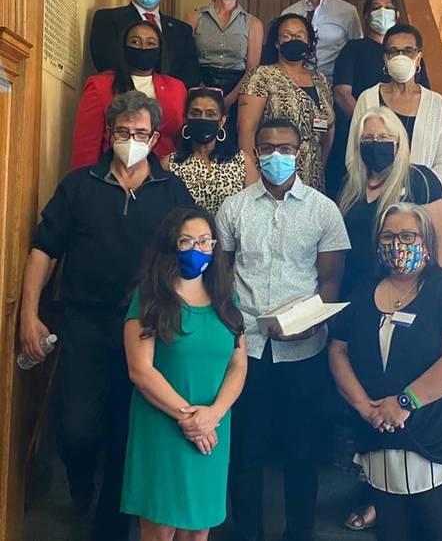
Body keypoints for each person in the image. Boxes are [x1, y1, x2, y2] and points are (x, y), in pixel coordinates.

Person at [19, 91, 193, 541]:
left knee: (126, 430)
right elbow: (43, 250)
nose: (131, 140)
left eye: (140, 133)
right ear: (109, 133)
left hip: (149, 327)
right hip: (85, 323)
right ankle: (79, 484)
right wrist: (29, 314)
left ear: (155, 138)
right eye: (122, 132)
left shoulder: (171, 191)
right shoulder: (79, 185)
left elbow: (192, 252)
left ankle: (109, 528)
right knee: (78, 430)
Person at [216, 118, 351, 541]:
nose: (277, 156)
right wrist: (230, 319)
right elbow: (221, 272)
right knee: (245, 452)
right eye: (268, 148)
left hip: (304, 350)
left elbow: (330, 281)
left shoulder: (323, 209)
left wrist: (310, 325)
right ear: (255, 153)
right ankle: (248, 533)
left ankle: (300, 534)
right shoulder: (233, 208)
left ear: (301, 152)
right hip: (246, 348)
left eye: (286, 148)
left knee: (301, 453)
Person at [329, 202, 442, 541]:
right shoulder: (363, 291)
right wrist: (363, 406)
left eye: (407, 236)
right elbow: (338, 350)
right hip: (380, 437)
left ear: (427, 242)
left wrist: (404, 402)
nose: (396, 245)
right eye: (387, 237)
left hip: (440, 441)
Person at [121, 205, 247, 541]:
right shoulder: (150, 296)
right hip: (163, 425)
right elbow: (140, 370)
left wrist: (213, 415)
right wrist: (190, 419)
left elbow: (238, 363)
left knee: (198, 529)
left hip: (213, 428)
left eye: (205, 242)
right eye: (187, 242)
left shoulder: (226, 297)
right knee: (160, 529)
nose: (197, 250)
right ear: (171, 245)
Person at [340, 105, 442, 298]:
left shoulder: (420, 179)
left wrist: (434, 287)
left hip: (404, 287)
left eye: (384, 138)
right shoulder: (350, 185)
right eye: (367, 139)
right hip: (355, 287)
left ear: (399, 142)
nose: (375, 143)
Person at [327, 0, 429, 200]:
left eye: (389, 7)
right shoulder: (354, 48)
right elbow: (341, 93)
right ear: (366, 16)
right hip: (364, 139)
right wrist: (372, 124)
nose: (383, 11)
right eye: (376, 7)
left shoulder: (414, 60)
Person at [346, 23, 442, 189]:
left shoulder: (435, 103)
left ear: (418, 57)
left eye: (408, 51)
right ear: (385, 58)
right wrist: (375, 190)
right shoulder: (367, 98)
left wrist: (422, 193)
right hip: (373, 195)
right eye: (394, 51)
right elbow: (353, 156)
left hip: (420, 203)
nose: (400, 56)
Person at [238, 13, 334, 192]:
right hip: (271, 175)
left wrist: (319, 164)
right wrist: (251, 173)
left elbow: (328, 128)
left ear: (309, 42)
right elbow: (246, 128)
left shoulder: (320, 80)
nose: (293, 40)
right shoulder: (262, 76)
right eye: (286, 36)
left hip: (312, 178)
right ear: (276, 42)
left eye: (299, 36)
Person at [72, 20, 186, 169]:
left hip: (163, 177)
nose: (143, 47)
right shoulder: (100, 85)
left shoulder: (177, 88)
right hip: (113, 174)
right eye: (135, 41)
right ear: (124, 47)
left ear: (160, 50)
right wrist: (84, 185)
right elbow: (86, 144)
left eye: (150, 43)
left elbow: (181, 138)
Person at [185, 0, 264, 143]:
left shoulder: (253, 24)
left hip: (237, 88)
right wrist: (202, 93)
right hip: (200, 85)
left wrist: (228, 100)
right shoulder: (194, 18)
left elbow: (252, 69)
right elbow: (186, 59)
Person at [90, 0, 200, 87]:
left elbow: (192, 72)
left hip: (169, 102)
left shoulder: (182, 30)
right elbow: (106, 62)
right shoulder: (107, 19)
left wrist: (171, 94)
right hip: (124, 99)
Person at [162, 86, 258, 215]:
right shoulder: (169, 164)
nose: (203, 118)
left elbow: (255, 208)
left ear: (222, 120)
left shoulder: (242, 162)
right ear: (186, 118)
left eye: (210, 114)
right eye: (195, 113)